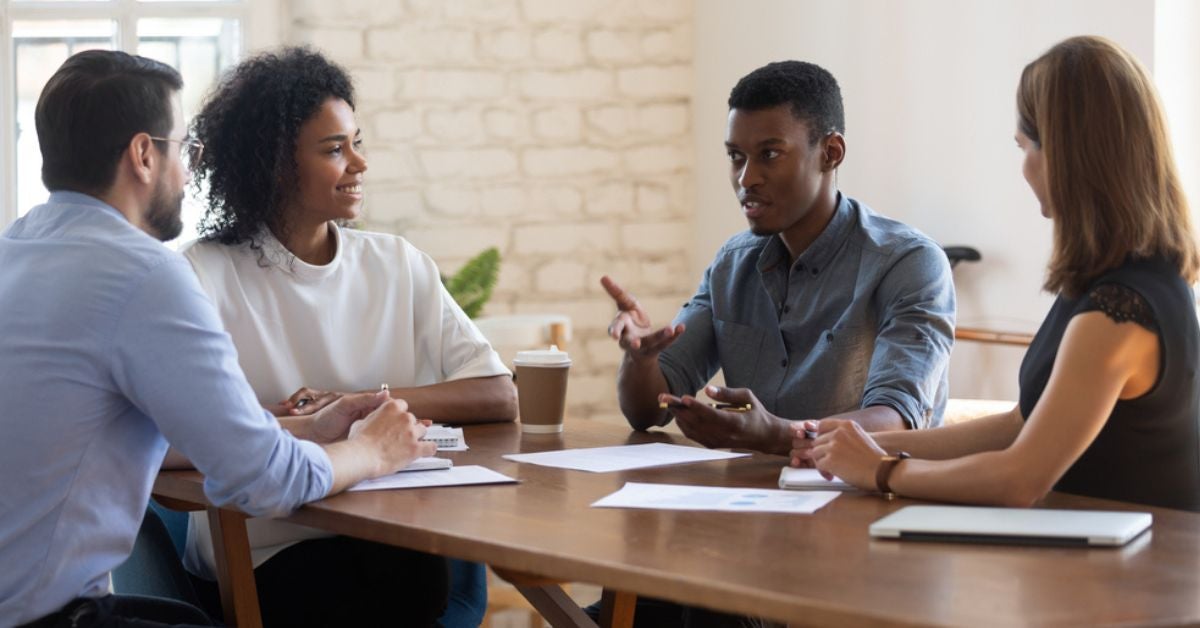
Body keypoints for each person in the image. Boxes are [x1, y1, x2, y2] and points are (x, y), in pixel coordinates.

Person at [0, 50, 442, 628]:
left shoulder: (18, 251)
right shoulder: (142, 274)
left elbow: (147, 433)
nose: (189, 173)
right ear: (142, 155)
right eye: (183, 149)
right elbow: (263, 483)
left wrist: (303, 428)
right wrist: (372, 451)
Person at [596, 60, 955, 627]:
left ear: (830, 152)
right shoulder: (733, 263)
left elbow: (896, 421)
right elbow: (647, 409)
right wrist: (642, 359)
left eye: (769, 154)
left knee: (677, 601)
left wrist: (779, 435)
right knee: (639, 591)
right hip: (748, 530)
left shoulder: (908, 263)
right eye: (736, 157)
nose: (746, 178)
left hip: (864, 541)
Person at [178, 47, 517, 627]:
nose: (359, 164)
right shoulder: (202, 274)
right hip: (263, 551)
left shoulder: (396, 263)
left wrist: (356, 401)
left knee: (409, 570)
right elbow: (178, 430)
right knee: (397, 579)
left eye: (358, 142)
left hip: (392, 534)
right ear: (276, 164)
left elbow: (498, 394)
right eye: (336, 149)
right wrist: (313, 424)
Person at [805, 36, 1200, 512]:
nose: (1024, 168)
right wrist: (856, 448)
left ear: (1069, 154)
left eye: (1025, 146)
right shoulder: (1118, 281)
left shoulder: (1117, 313)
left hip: (1130, 578)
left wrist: (881, 471)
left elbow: (1019, 479)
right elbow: (1021, 424)